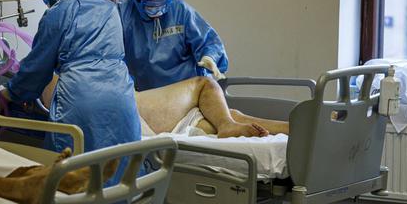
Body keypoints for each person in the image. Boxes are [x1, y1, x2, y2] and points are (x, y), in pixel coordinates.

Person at [1, 0, 141, 168]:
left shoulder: (57, 13)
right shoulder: (109, 6)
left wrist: (10, 93)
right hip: (121, 98)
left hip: (81, 101)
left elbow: (37, 69)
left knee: (71, 173)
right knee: (118, 170)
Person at [42, 75, 289, 138]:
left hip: (147, 106)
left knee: (225, 116)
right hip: (142, 109)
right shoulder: (54, 80)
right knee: (205, 85)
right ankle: (227, 126)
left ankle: (295, 129)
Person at [118, 0, 229, 91]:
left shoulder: (181, 11)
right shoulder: (124, 14)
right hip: (144, 93)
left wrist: (210, 57)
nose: (158, 11)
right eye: (151, 6)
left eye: (162, 4)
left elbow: (208, 41)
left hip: (185, 91)